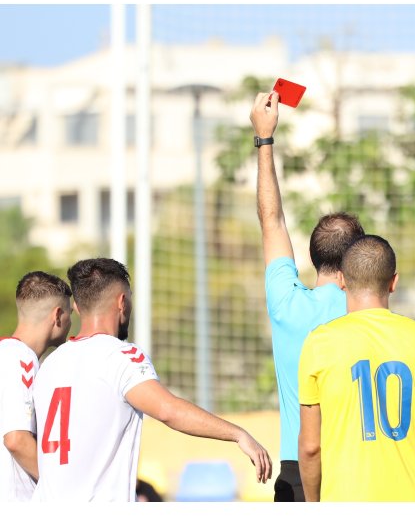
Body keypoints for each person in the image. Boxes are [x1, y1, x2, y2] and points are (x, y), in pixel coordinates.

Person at [31, 258, 271, 501]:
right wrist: (239, 434)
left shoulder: (49, 364)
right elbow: (169, 410)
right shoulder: (121, 356)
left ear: (77, 308)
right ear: (122, 302)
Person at [297, 235, 415, 501]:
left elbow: (311, 446)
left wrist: (313, 505)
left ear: (342, 280)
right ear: (394, 282)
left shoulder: (318, 342)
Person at [250, 90, 365, 502]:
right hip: (358, 466)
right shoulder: (369, 314)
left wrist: (265, 140)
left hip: (298, 469)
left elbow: (271, 220)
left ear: (313, 257)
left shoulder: (288, 306)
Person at [1, 272, 72, 501]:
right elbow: (16, 440)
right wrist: (66, 492)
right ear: (58, 316)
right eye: (70, 313)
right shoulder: (18, 358)